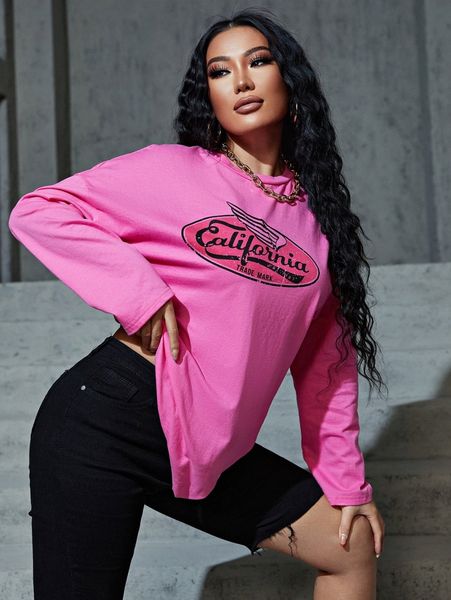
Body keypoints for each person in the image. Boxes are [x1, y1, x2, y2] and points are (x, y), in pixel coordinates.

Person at [8, 8, 386, 600]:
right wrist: (139, 292)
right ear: (207, 94)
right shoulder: (173, 171)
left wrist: (346, 484)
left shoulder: (320, 225)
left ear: (288, 78)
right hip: (107, 416)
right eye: (220, 71)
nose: (241, 81)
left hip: (207, 441)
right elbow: (38, 210)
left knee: (351, 546)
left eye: (258, 62)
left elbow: (326, 369)